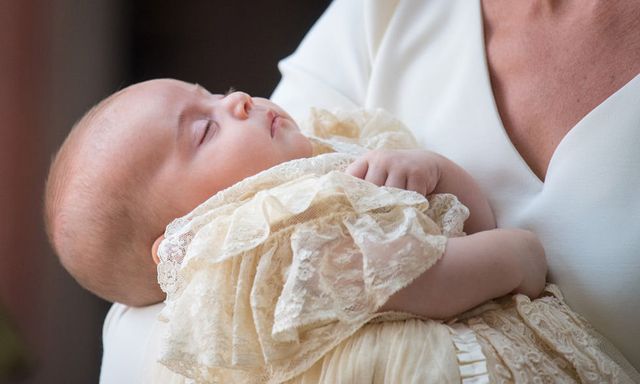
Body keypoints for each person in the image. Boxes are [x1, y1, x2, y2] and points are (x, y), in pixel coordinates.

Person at [99, 1, 640, 380]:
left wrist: (435, 172)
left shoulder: (326, 154)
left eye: (215, 94)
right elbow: (409, 281)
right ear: (179, 241)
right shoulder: (261, 240)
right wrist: (512, 258)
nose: (238, 98)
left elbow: (467, 221)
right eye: (204, 129)